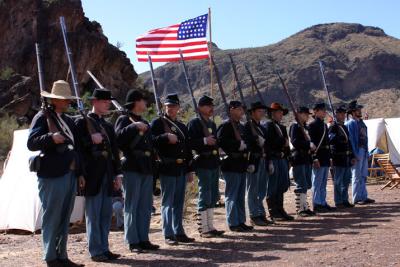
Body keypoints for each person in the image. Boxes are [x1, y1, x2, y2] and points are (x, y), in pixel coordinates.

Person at [27, 80, 84, 267]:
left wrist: (80, 172)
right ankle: (50, 256)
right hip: (51, 174)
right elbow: (32, 142)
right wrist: (51, 138)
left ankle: (62, 255)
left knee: (64, 216)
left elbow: (75, 148)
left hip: (69, 173)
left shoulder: (68, 120)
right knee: (52, 216)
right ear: (55, 100)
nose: (67, 102)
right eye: (64, 99)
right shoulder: (42, 117)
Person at [75, 88, 122, 262]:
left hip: (107, 174)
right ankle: (95, 250)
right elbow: (79, 149)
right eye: (104, 101)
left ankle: (104, 248)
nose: (107, 104)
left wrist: (118, 174)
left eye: (108, 101)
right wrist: (90, 139)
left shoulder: (108, 126)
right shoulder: (82, 123)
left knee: (105, 214)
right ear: (94, 102)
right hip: (92, 174)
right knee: (93, 215)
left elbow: (114, 153)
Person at [115, 89, 159, 252]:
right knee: (132, 205)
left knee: (145, 206)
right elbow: (117, 139)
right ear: (135, 102)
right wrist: (133, 127)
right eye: (143, 100)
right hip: (132, 166)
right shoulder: (123, 120)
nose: (146, 103)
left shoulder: (145, 122)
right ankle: (132, 241)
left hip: (146, 167)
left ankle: (143, 238)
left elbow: (151, 147)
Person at [151, 94, 195, 245]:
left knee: (178, 202)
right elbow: (152, 142)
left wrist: (190, 169)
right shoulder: (157, 123)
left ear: (178, 107)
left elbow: (187, 150)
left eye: (173, 106)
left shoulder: (182, 126)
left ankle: (179, 231)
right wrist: (165, 137)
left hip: (181, 168)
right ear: (164, 107)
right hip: (167, 167)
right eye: (168, 106)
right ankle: (168, 233)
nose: (171, 109)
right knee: (167, 203)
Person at [187, 95, 224, 238]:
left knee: (213, 194)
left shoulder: (212, 124)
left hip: (213, 162)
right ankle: (203, 228)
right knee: (205, 194)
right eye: (207, 106)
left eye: (211, 106)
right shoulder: (195, 123)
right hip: (203, 162)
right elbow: (190, 143)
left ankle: (210, 226)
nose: (211, 108)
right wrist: (204, 140)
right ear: (200, 108)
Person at [217, 100, 253, 232]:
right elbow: (221, 142)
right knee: (232, 194)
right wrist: (237, 145)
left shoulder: (241, 126)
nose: (241, 111)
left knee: (239, 195)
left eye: (242, 109)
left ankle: (241, 221)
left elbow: (248, 142)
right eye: (238, 109)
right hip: (231, 163)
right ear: (231, 110)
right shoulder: (225, 125)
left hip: (241, 164)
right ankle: (233, 222)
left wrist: (245, 147)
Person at [264, 103, 293, 221]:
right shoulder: (268, 126)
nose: (281, 115)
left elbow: (286, 145)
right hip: (274, 158)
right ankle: (273, 211)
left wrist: (288, 157)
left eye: (282, 112)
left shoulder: (282, 127)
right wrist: (282, 142)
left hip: (282, 159)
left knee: (282, 185)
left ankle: (280, 209)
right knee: (273, 186)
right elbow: (270, 143)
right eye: (279, 112)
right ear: (273, 113)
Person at [244, 101, 272, 226]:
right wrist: (255, 141)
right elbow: (246, 144)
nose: (262, 113)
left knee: (261, 190)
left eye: (262, 111)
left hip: (263, 159)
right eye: (259, 111)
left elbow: (267, 146)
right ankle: (254, 215)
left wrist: (269, 161)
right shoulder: (247, 126)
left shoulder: (261, 127)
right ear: (252, 112)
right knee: (252, 190)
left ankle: (260, 213)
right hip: (254, 160)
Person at [345, 100, 375, 205]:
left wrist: (366, 151)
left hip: (363, 150)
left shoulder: (361, 123)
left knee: (363, 175)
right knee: (356, 176)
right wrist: (354, 154)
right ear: (353, 112)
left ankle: (363, 196)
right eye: (358, 109)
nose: (360, 111)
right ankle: (357, 198)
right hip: (357, 151)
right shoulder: (350, 123)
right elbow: (351, 140)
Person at [309, 103, 335, 212]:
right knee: (317, 181)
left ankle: (323, 202)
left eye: (324, 110)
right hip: (318, 156)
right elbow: (311, 144)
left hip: (325, 156)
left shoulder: (324, 125)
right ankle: (317, 204)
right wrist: (315, 158)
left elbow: (327, 143)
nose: (324, 112)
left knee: (324, 182)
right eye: (322, 110)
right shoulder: (312, 125)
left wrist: (330, 157)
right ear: (315, 111)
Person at [289, 106, 316, 217]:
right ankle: (301, 208)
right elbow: (295, 142)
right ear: (299, 114)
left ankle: (305, 206)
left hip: (306, 158)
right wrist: (307, 144)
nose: (307, 116)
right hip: (299, 158)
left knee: (307, 184)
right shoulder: (294, 126)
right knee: (301, 184)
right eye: (305, 114)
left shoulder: (305, 127)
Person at [329, 105, 356, 208]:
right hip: (338, 158)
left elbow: (349, 142)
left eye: (344, 113)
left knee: (346, 180)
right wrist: (338, 136)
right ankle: (338, 201)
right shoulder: (333, 127)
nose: (343, 115)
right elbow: (331, 141)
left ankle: (345, 200)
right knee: (338, 181)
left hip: (346, 158)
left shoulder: (344, 127)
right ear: (336, 115)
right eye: (341, 113)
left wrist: (352, 155)